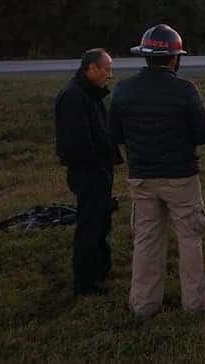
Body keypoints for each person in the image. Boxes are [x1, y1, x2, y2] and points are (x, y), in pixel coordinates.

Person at [109, 24, 205, 317]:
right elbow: (204, 133)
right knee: (190, 238)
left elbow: (114, 135)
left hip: (142, 178)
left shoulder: (124, 89)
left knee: (146, 240)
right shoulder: (185, 89)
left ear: (146, 56)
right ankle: (195, 305)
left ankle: (143, 306)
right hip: (181, 179)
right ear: (174, 58)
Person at [54, 48, 122, 296]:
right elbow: (77, 144)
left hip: (98, 172)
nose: (110, 75)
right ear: (91, 68)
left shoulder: (89, 94)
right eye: (107, 69)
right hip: (89, 174)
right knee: (89, 225)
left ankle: (100, 270)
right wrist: (98, 166)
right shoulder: (73, 97)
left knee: (101, 222)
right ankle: (85, 282)